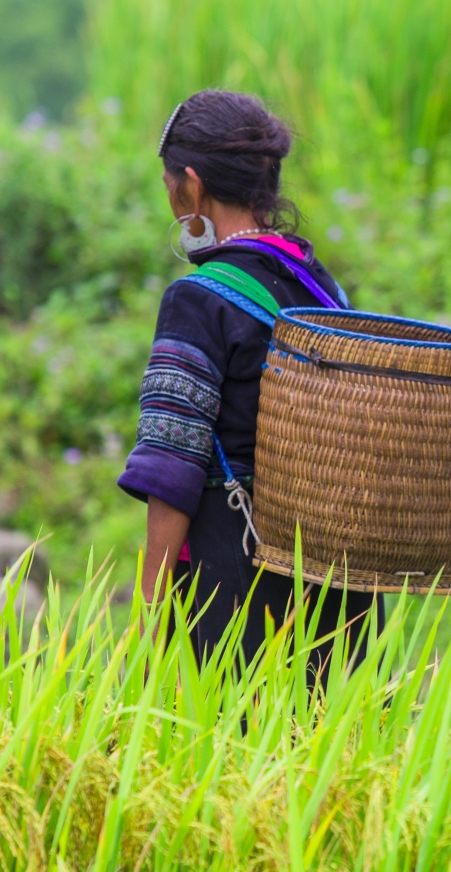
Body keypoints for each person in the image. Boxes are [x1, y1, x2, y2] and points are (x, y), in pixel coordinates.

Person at [116, 89, 377, 667]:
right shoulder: (323, 289)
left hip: (235, 589)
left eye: (170, 189)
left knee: (225, 726)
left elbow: (171, 465)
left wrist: (149, 615)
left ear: (191, 186)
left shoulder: (197, 299)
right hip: (340, 591)